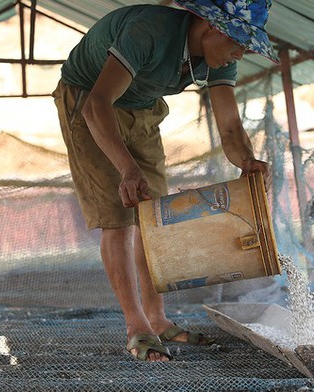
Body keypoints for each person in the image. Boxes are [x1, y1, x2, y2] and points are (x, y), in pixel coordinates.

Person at [52, 0, 278, 362]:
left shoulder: (221, 56)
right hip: (88, 103)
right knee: (119, 217)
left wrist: (248, 161)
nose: (241, 53)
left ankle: (157, 318)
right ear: (211, 27)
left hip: (142, 107)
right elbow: (98, 104)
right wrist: (126, 167)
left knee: (153, 217)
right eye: (238, 43)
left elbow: (231, 127)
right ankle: (136, 325)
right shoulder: (149, 31)